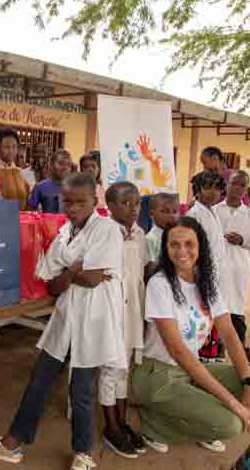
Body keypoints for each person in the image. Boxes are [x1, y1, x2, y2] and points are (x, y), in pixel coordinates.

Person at [0, 173, 125, 470]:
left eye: (81, 202)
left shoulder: (107, 230)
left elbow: (93, 280)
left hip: (95, 318)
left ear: (95, 200)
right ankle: (13, 444)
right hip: (67, 316)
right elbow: (52, 283)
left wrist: (70, 274)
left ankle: (84, 454)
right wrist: (74, 271)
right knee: (40, 379)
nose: (74, 208)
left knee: (80, 389)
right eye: (68, 202)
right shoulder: (65, 232)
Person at [131, 217, 250, 454]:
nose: (182, 251)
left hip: (191, 371)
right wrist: (232, 402)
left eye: (189, 244)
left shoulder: (207, 283)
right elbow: (178, 351)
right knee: (230, 423)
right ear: (165, 249)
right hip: (158, 375)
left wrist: (249, 385)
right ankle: (154, 425)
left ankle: (198, 418)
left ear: (200, 247)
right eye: (174, 244)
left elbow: (228, 333)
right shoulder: (160, 284)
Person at [101, 181, 148, 458]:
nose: (133, 209)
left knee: (124, 368)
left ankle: (121, 420)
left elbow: (140, 273)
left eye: (138, 203)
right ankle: (111, 427)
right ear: (110, 206)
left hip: (132, 311)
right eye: (126, 203)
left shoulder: (140, 234)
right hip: (111, 311)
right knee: (110, 369)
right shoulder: (105, 232)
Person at [214, 171, 250, 366]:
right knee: (215, 306)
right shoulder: (214, 211)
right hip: (216, 267)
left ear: (246, 189)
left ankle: (241, 349)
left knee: (236, 308)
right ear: (226, 185)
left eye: (242, 186)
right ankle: (215, 349)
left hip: (238, 268)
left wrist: (243, 240)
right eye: (234, 184)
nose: (237, 189)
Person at [187, 171, 232, 362]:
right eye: (207, 187)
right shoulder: (195, 215)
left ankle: (209, 360)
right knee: (201, 320)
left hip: (215, 276)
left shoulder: (212, 212)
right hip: (202, 276)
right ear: (197, 190)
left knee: (211, 319)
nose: (212, 192)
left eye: (216, 188)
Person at [0, 128, 31, 210]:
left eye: (14, 147)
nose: (11, 151)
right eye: (7, 147)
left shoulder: (21, 172)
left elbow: (27, 201)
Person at [146, 193, 180, 267]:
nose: (171, 216)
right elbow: (151, 266)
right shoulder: (151, 238)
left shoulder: (179, 235)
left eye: (175, 211)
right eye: (165, 211)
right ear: (152, 214)